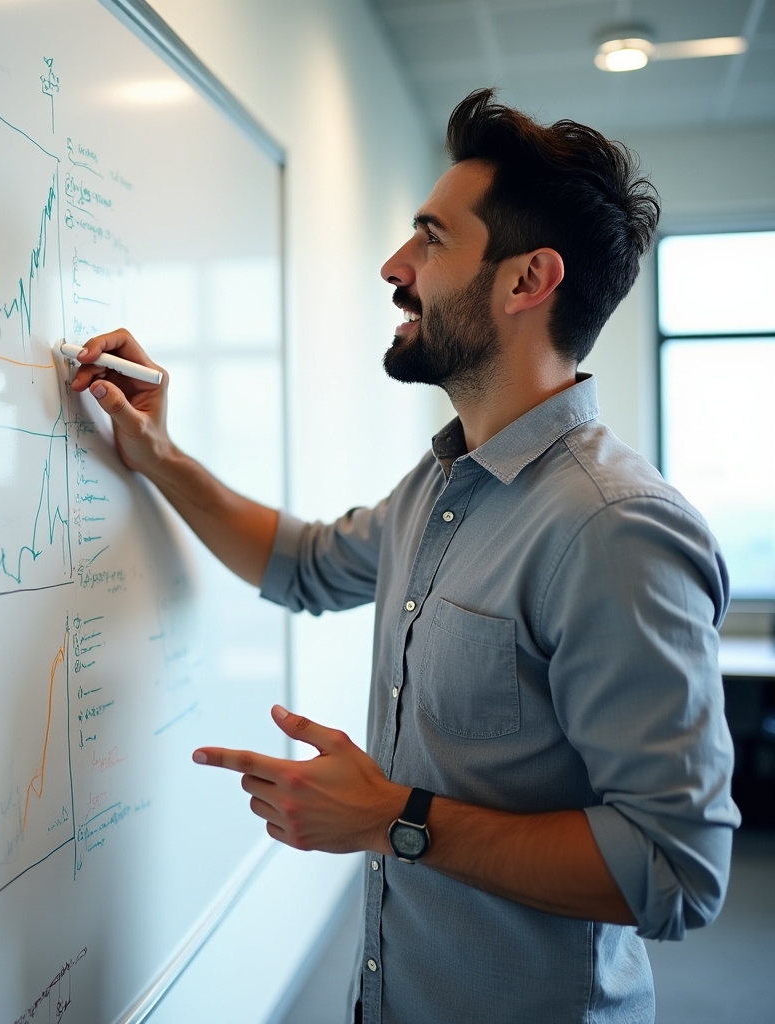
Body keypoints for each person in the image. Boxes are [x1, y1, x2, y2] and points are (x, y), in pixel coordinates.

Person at [68, 89, 740, 1024]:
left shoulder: (615, 528)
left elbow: (674, 869)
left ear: (526, 280)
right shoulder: (439, 487)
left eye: (430, 238)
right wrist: (159, 455)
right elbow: (301, 564)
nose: (395, 266)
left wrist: (395, 820)